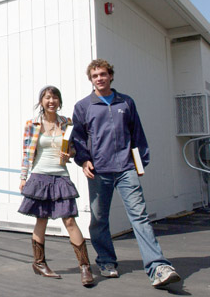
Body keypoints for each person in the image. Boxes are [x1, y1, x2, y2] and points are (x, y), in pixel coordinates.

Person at [71, 59, 181, 288]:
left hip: (126, 168)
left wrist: (140, 163)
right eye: (94, 76)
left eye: (102, 74)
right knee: (99, 219)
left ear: (111, 76)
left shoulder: (126, 102)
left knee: (140, 217)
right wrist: (84, 161)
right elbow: (78, 138)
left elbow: (137, 134)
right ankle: (106, 261)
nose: (99, 78)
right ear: (90, 80)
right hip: (99, 171)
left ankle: (158, 267)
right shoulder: (83, 106)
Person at [19, 85, 94, 287]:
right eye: (47, 98)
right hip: (39, 176)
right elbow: (27, 154)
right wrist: (23, 177)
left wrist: (69, 154)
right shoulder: (32, 124)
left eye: (55, 98)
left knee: (69, 220)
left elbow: (75, 149)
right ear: (41, 101)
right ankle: (39, 263)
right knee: (41, 219)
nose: (51, 101)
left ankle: (85, 267)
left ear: (59, 101)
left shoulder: (67, 123)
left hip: (61, 175)